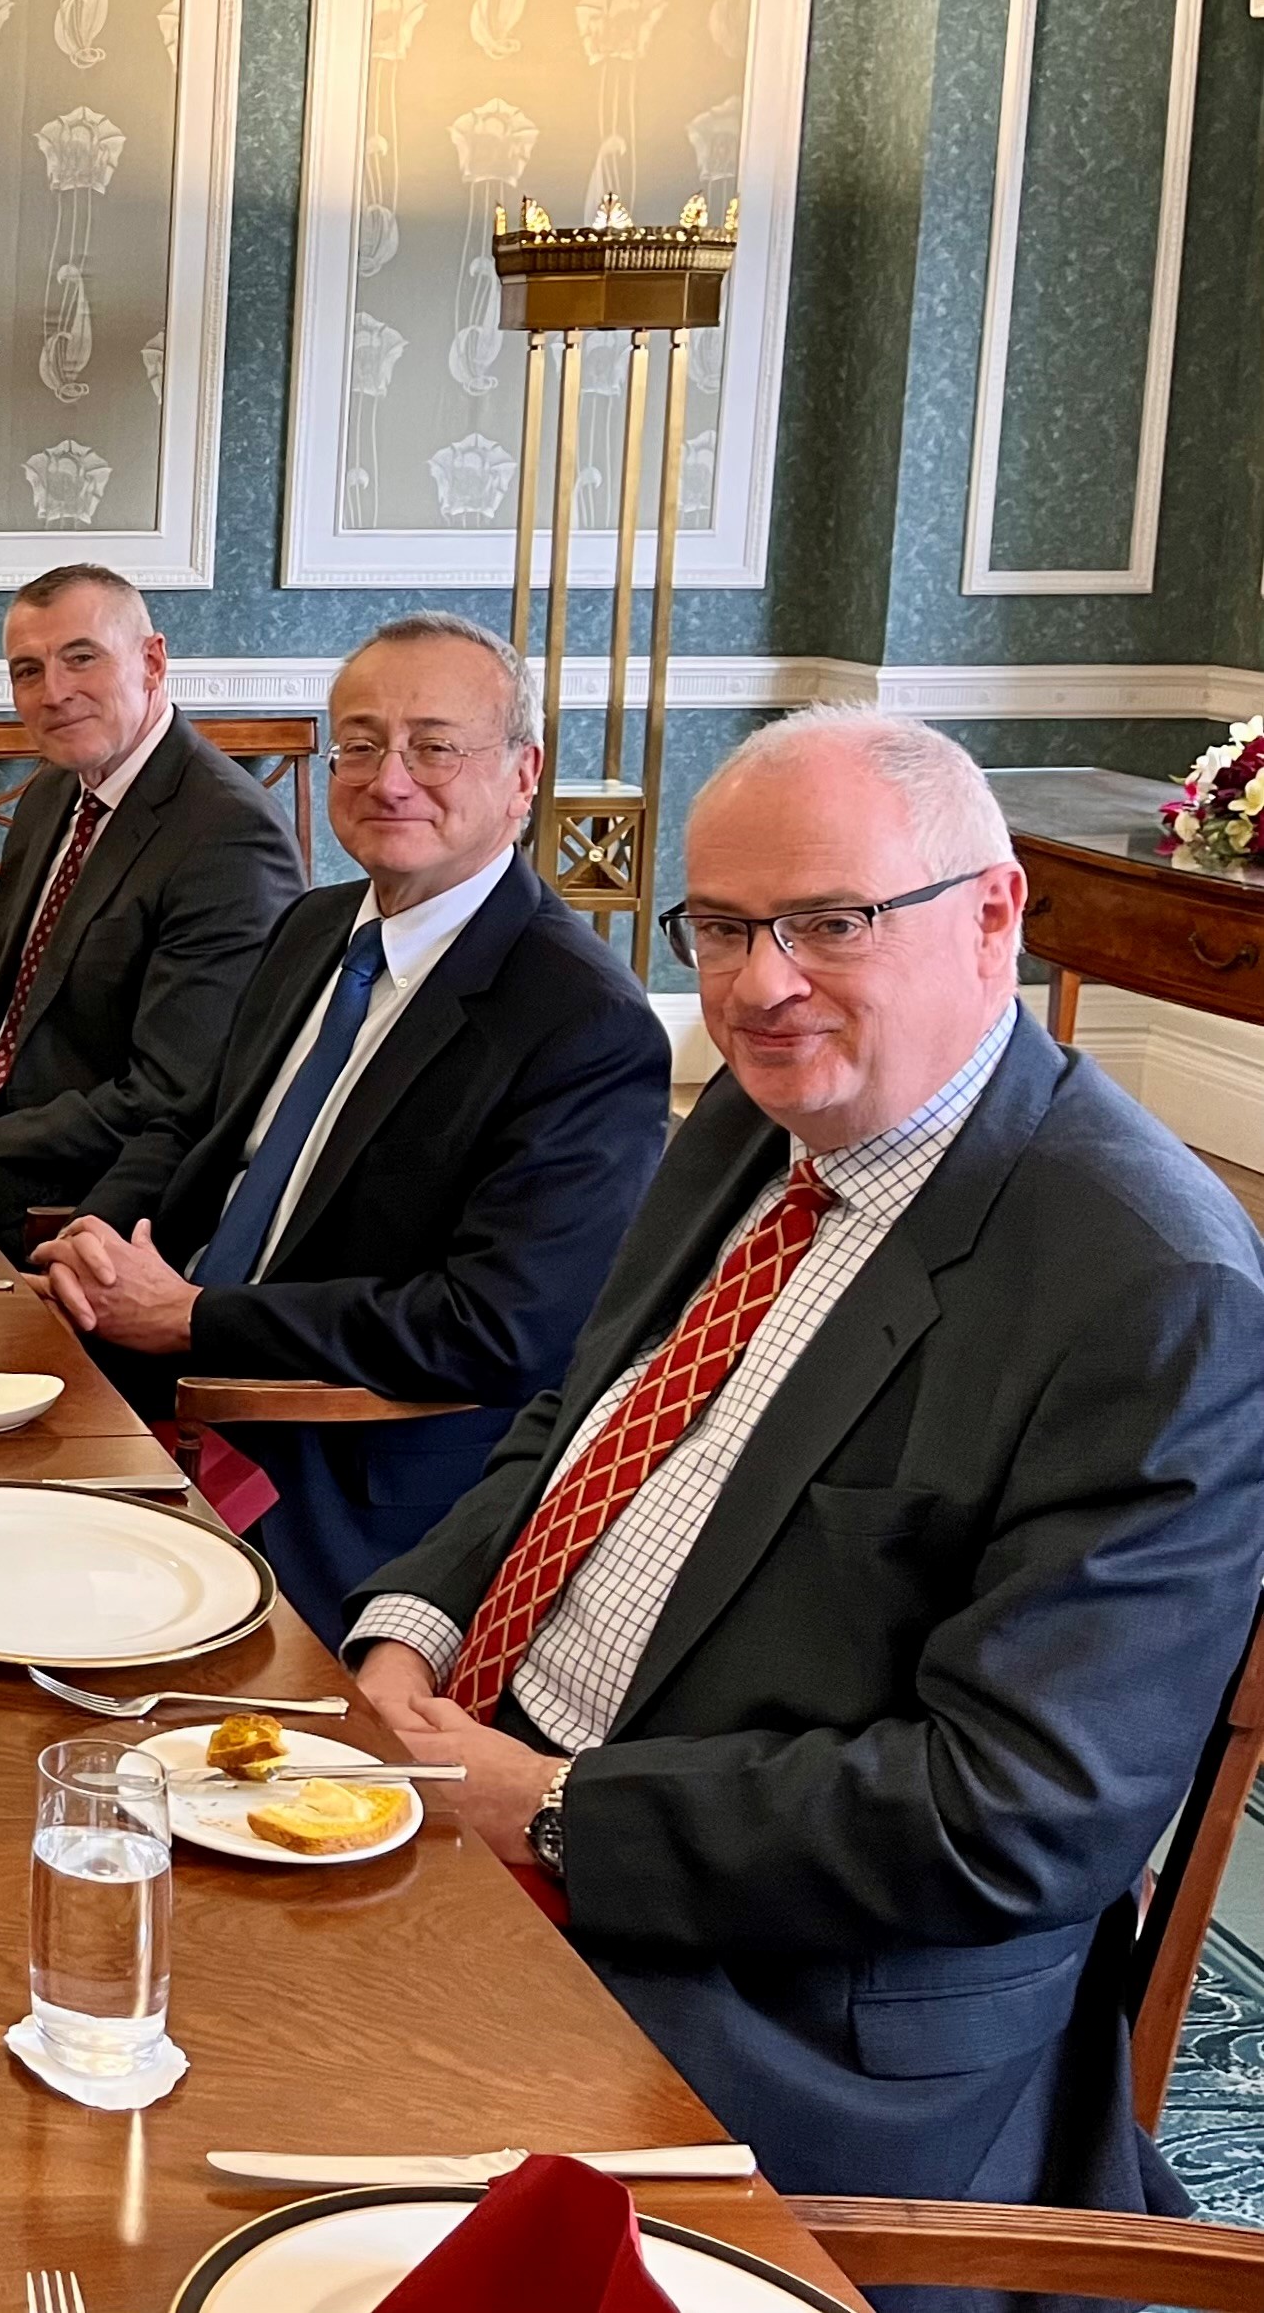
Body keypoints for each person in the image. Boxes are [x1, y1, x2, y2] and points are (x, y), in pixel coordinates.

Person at [348, 710, 1264, 2257]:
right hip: (487, 1777)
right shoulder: (757, 1112)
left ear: (993, 915)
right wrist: (414, 1627)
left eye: (830, 922)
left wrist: (556, 1810)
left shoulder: (1151, 1286)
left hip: (785, 2000)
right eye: (719, 928)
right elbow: (577, 1417)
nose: (759, 983)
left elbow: (1010, 1815)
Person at [35, 613, 671, 1640]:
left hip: (331, 1471)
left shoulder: (583, 1024)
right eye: (362, 745)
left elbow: (497, 1330)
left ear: (523, 774)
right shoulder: (315, 928)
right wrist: (94, 1248)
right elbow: (190, 1131)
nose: (390, 779)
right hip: (160, 1375)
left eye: (434, 745)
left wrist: (197, 1320)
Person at [0, 565, 306, 1230]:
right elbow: (2, 987)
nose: (54, 692)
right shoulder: (53, 791)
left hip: (80, 1202)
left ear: (152, 661)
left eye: (82, 658)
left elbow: (172, 1096)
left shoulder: (229, 837)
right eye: (27, 670)